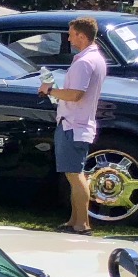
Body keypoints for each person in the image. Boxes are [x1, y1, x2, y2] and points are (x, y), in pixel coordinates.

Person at [43, 15, 108, 234]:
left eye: (71, 35)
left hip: (73, 125)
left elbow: (75, 94)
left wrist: (49, 90)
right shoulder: (95, 58)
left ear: (81, 35)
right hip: (78, 124)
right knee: (73, 175)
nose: (69, 39)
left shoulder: (84, 62)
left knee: (76, 175)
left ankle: (83, 224)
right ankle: (74, 220)